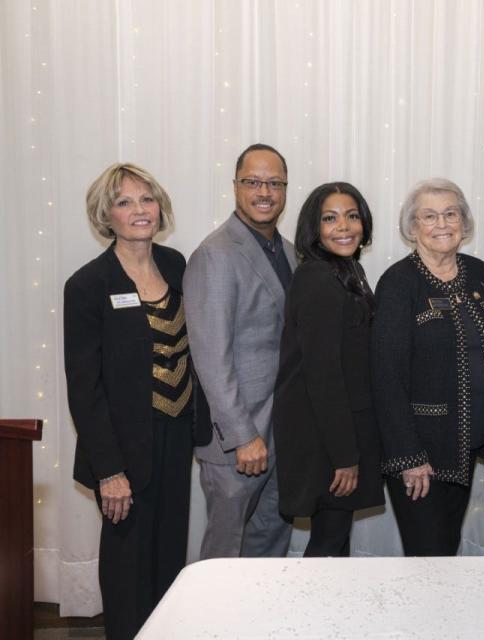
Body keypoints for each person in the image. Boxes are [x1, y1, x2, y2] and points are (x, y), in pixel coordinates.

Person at [64, 163, 211, 639]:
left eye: (146, 199)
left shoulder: (176, 264)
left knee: (169, 553)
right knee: (127, 565)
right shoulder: (88, 285)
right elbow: (84, 388)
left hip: (175, 434)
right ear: (106, 215)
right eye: (125, 202)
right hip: (123, 450)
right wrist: (109, 470)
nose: (139, 210)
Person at [372, 178, 484, 556]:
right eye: (429, 216)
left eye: (450, 214)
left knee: (447, 551)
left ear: (464, 222)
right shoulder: (399, 283)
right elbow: (386, 375)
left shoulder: (479, 273)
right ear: (413, 228)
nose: (441, 224)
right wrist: (409, 456)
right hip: (421, 454)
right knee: (426, 557)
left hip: (465, 447)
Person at [183, 143, 294, 559]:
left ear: (285, 189)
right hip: (237, 439)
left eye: (274, 183)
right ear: (235, 186)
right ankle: (213, 625)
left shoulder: (287, 251)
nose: (264, 191)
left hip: (281, 431)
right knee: (226, 553)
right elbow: (210, 356)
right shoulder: (215, 254)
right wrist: (243, 436)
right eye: (253, 181)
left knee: (271, 541)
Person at [273, 182, 384, 557]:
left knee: (335, 541)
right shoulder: (317, 277)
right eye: (330, 218)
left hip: (337, 432)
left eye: (352, 216)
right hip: (326, 441)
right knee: (328, 543)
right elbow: (323, 375)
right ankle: (308, 615)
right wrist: (345, 457)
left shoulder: (347, 270)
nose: (344, 227)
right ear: (314, 228)